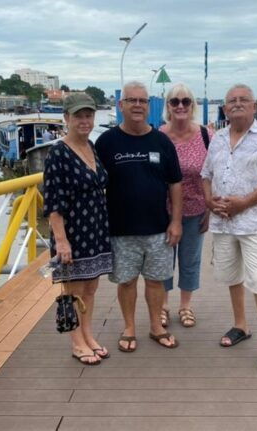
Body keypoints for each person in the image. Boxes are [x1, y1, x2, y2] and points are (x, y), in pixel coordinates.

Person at [201, 83, 257, 371]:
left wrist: (244, 203)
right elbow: (206, 174)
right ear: (225, 109)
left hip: (253, 224)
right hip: (224, 223)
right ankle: (241, 326)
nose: (237, 104)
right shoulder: (217, 138)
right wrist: (208, 201)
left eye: (244, 100)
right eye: (232, 101)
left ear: (254, 107)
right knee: (233, 277)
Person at [95, 81, 183, 352]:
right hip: (120, 228)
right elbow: (95, 184)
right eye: (131, 100)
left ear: (149, 106)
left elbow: (175, 183)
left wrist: (176, 221)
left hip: (158, 227)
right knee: (127, 281)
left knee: (156, 281)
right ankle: (129, 327)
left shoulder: (161, 140)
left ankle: (156, 326)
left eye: (142, 101)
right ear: (120, 105)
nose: (136, 105)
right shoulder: (106, 142)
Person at [43, 92, 112, 365]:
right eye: (78, 116)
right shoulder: (57, 153)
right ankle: (76, 342)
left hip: (95, 229)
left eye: (88, 115)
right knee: (73, 290)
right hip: (71, 232)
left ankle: (88, 335)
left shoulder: (91, 147)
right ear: (66, 118)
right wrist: (61, 241)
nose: (84, 121)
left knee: (91, 289)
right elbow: (52, 203)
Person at [158, 83, 211, 329]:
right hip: (163, 211)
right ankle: (163, 306)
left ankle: (185, 306)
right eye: (175, 101)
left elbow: (214, 173)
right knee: (164, 259)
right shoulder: (158, 135)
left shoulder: (205, 135)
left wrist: (210, 208)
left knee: (190, 259)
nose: (180, 106)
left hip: (195, 209)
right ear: (168, 106)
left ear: (193, 106)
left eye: (186, 101)